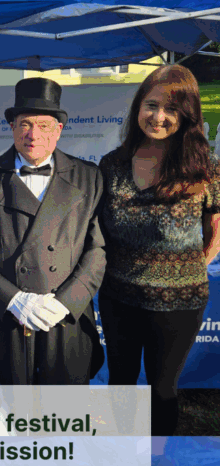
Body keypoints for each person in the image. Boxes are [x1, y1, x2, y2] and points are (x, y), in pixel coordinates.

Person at [0, 78, 106, 384]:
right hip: (9, 322)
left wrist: (66, 302)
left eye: (44, 126)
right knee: (13, 405)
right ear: (12, 127)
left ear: (58, 130)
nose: (33, 135)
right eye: (25, 124)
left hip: (67, 321)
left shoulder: (90, 177)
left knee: (67, 406)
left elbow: (97, 249)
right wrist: (13, 300)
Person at [98, 65, 220, 435]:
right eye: (152, 105)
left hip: (179, 302)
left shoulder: (205, 169)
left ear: (188, 116)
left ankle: (158, 458)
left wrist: (192, 267)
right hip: (118, 297)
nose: (159, 116)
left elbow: (215, 227)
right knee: (120, 381)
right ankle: (122, 453)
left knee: (162, 388)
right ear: (138, 107)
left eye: (172, 109)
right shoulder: (112, 165)